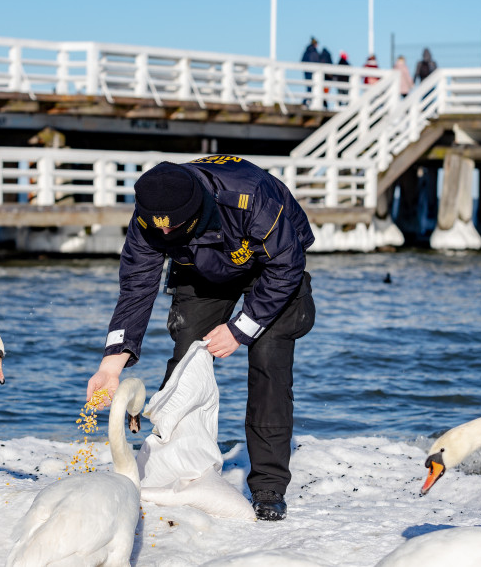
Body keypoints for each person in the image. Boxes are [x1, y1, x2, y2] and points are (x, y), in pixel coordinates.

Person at [87, 157, 316, 522]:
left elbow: (288, 265)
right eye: (155, 227)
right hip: (202, 268)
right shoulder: (152, 214)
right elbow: (136, 287)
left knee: (268, 365)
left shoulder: (250, 199)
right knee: (186, 358)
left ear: (194, 211)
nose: (160, 234)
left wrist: (241, 328)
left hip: (271, 267)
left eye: (171, 227)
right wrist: (111, 363)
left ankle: (269, 486)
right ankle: (176, 466)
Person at [300, 37, 320, 105]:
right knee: (311, 87)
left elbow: (302, 60)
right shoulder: (314, 51)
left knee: (309, 87)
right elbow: (316, 62)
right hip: (311, 72)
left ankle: (306, 102)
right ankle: (307, 102)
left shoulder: (307, 51)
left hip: (307, 71)